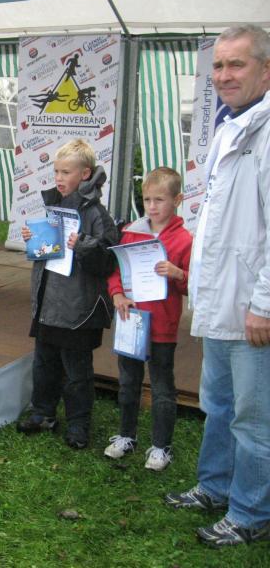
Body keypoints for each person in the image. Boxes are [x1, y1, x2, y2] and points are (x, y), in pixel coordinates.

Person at [164, 24, 270, 547]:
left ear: (266, 70)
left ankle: (250, 513)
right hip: (222, 299)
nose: (224, 75)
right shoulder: (232, 125)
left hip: (251, 307)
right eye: (219, 66)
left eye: (237, 64)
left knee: (253, 418)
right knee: (219, 403)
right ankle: (214, 486)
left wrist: (264, 305)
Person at [16, 138, 119, 449]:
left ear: (85, 174)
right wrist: (34, 240)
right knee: (44, 364)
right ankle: (42, 413)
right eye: (56, 171)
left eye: (65, 172)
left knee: (77, 373)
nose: (58, 178)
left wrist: (84, 244)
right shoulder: (54, 206)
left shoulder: (98, 214)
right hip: (49, 304)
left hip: (79, 310)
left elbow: (109, 261)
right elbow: (48, 254)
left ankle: (78, 425)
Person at [105, 167, 192, 471]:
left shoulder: (184, 240)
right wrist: (117, 294)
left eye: (160, 200)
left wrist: (179, 274)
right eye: (147, 200)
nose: (152, 207)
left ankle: (161, 446)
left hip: (162, 326)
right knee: (128, 382)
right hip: (131, 320)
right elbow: (117, 271)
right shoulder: (132, 232)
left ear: (177, 200)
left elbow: (193, 284)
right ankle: (126, 436)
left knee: (162, 386)